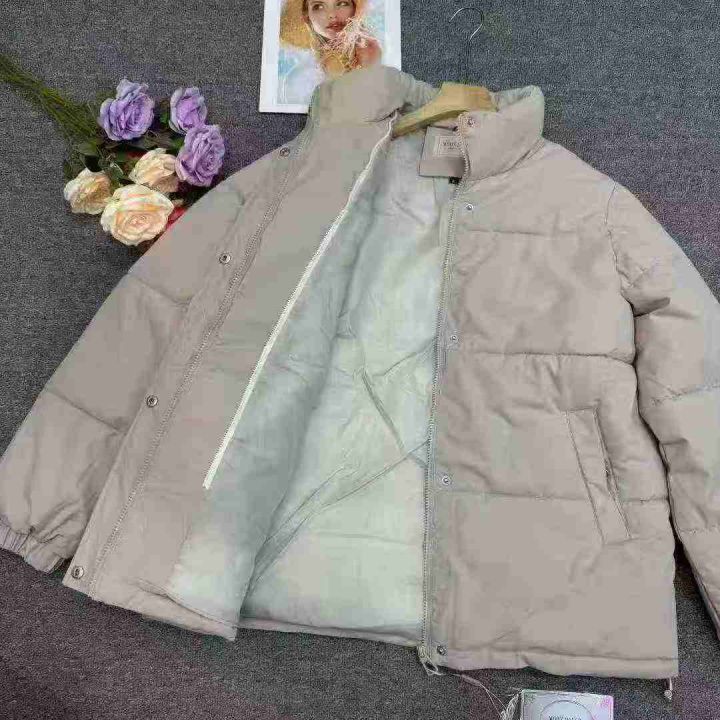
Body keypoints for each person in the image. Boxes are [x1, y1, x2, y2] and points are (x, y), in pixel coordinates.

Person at [279, 0, 382, 104]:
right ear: (307, 17)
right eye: (319, 6)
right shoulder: (299, 82)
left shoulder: (375, 55)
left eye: (342, 3)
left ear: (355, 9)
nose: (332, 15)